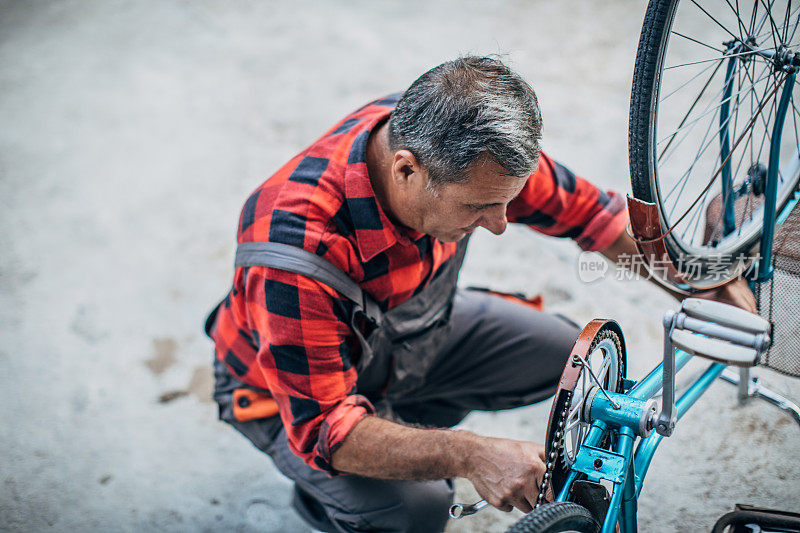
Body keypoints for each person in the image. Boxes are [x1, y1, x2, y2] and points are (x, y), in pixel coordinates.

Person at [205, 56, 755, 533]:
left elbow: (593, 214)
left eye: (507, 202)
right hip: (288, 394)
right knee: (418, 509)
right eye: (476, 209)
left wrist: (699, 281)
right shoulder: (294, 253)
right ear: (406, 170)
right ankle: (332, 505)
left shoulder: (470, 149)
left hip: (408, 334)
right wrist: (470, 455)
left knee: (567, 359)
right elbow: (330, 431)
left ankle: (402, 415)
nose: (498, 224)